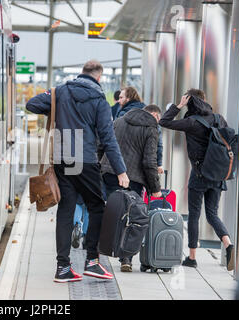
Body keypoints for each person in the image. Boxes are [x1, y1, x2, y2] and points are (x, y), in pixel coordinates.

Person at [26, 60, 129, 283]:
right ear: (98, 77)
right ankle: (92, 261)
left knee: (65, 210)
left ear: (82, 73)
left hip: (63, 159)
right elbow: (108, 138)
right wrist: (121, 170)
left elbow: (32, 104)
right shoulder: (99, 98)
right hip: (85, 160)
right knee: (97, 207)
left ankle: (63, 268)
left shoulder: (60, 91)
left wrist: (55, 106)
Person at [159, 88, 235, 271]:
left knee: (194, 215)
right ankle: (228, 244)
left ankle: (192, 257)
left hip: (200, 174)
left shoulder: (192, 122)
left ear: (189, 100)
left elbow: (164, 121)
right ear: (205, 100)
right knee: (212, 214)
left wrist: (178, 106)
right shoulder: (218, 118)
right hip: (218, 174)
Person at [101, 105, 163, 272]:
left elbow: (103, 144)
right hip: (132, 178)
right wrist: (155, 188)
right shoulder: (151, 129)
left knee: (112, 212)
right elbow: (149, 161)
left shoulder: (119, 121)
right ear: (155, 115)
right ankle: (125, 258)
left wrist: (99, 166)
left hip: (109, 171)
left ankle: (100, 251)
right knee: (131, 217)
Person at [115, 87, 164, 174]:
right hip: (141, 162)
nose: (118, 100)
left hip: (122, 160)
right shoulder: (147, 110)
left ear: (128, 99)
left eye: (121, 97)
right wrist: (158, 164)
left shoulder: (122, 114)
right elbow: (158, 141)